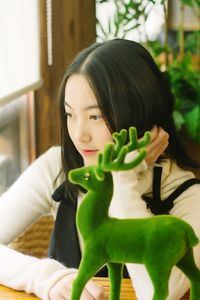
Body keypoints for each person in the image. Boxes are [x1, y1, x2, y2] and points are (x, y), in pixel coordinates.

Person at [0, 39, 199, 300]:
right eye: (70, 114)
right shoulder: (57, 167)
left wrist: (125, 178)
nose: (79, 136)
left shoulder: (188, 196)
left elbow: (157, 293)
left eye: (95, 116)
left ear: (139, 113)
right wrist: (47, 278)